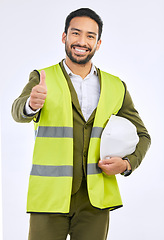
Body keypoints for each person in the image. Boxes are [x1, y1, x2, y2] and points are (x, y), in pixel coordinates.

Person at [11, 8, 151, 240]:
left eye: (90, 36)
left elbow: (142, 135)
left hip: (95, 201)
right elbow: (17, 112)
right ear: (64, 36)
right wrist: (31, 104)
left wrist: (127, 165)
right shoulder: (42, 77)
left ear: (98, 43)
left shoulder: (116, 86)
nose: (82, 41)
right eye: (76, 33)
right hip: (49, 197)